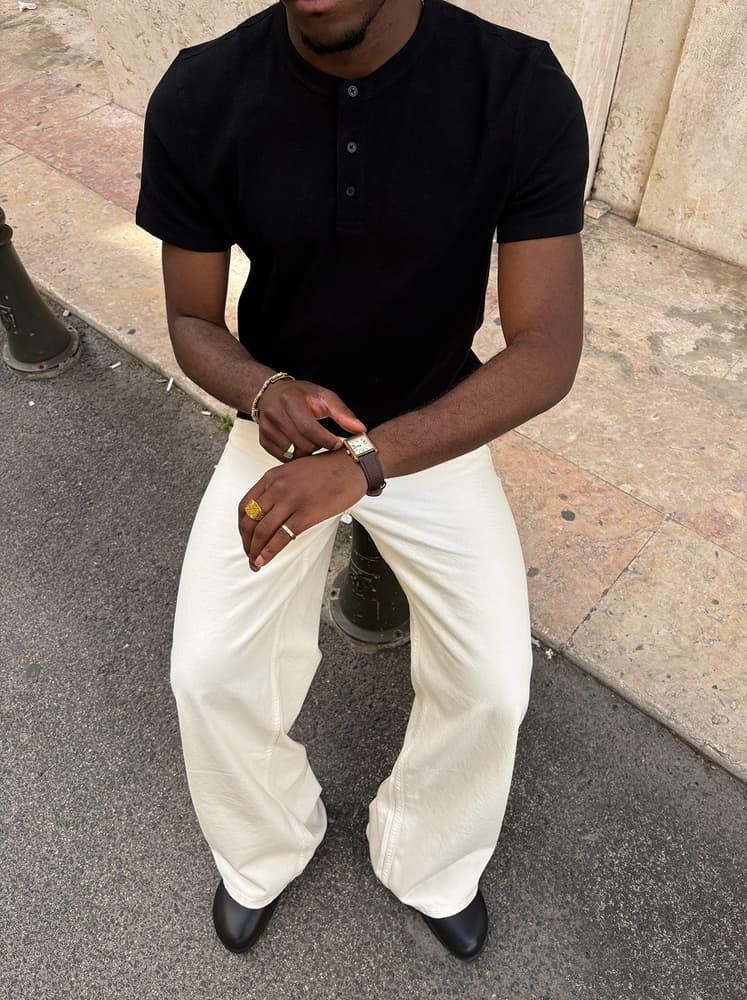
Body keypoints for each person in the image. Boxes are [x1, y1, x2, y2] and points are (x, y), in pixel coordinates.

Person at [136, 0, 588, 961]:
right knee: (208, 671)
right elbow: (192, 321)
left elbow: (547, 349)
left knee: (492, 683)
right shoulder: (203, 92)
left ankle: (428, 858)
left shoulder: (516, 86)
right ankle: (264, 847)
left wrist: (367, 465)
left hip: (430, 428)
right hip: (284, 432)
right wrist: (263, 391)